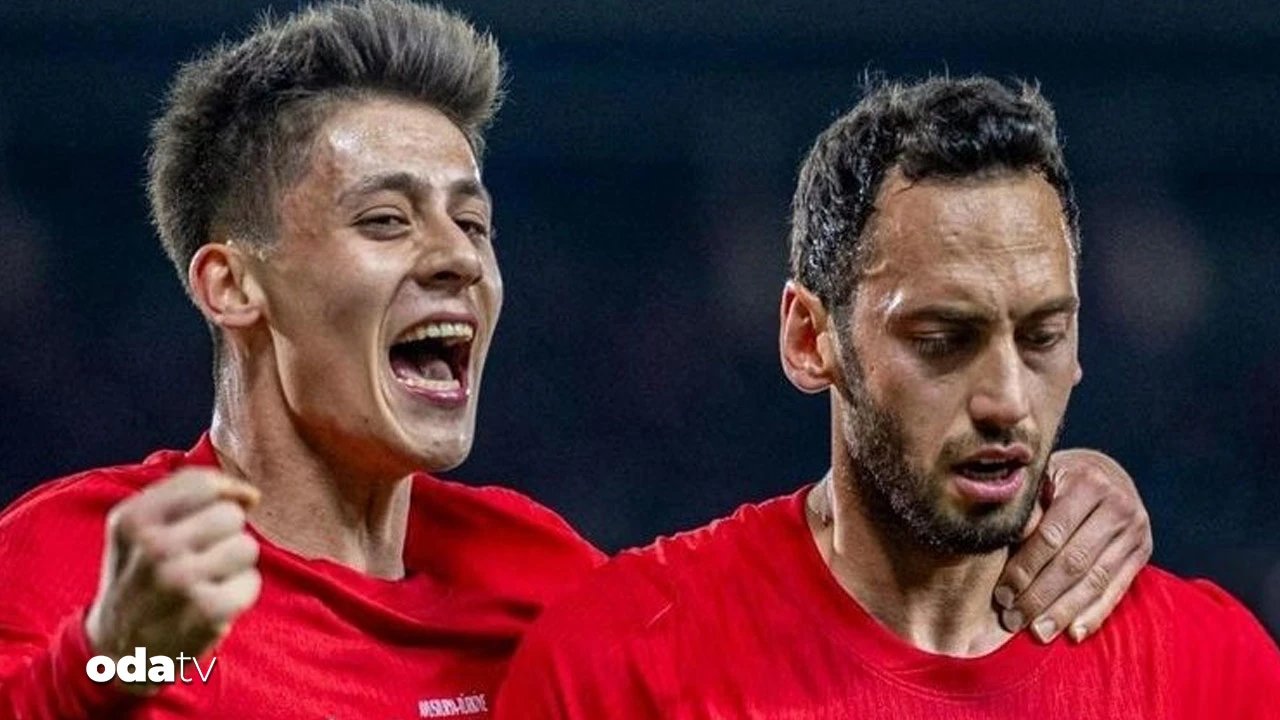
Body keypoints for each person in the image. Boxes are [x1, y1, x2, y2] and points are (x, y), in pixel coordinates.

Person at [0, 3, 1150, 716]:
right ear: (231, 284)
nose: (456, 259)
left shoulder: (539, 580)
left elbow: (810, 625)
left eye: (473, 223)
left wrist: (1037, 496)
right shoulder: (64, 562)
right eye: (387, 220)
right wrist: (112, 665)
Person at [494, 76, 1280, 718]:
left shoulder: (1211, 670)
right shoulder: (618, 670)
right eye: (942, 340)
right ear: (810, 339)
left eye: (1043, 336)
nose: (1007, 400)